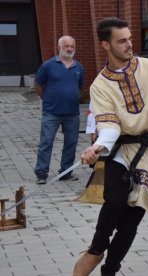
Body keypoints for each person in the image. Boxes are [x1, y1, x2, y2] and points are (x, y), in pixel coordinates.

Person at [73, 17, 148, 276]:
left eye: (129, 39)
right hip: (119, 151)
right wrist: (97, 148)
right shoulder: (100, 85)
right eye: (121, 41)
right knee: (114, 203)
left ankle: (110, 269)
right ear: (106, 45)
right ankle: (96, 248)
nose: (129, 45)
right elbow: (110, 127)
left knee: (131, 220)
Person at [34, 35, 84, 185]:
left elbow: (79, 87)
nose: (69, 49)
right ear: (59, 47)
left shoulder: (79, 67)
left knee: (71, 143)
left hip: (72, 113)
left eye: (72, 46)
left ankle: (66, 172)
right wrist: (47, 98)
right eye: (66, 46)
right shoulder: (48, 65)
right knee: (46, 142)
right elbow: (38, 83)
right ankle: (42, 173)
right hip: (51, 112)